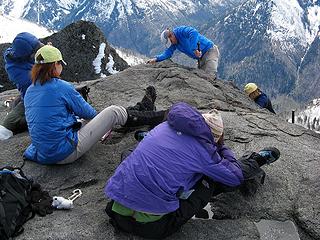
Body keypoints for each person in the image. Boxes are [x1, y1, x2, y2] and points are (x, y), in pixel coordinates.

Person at [104, 102, 280, 239]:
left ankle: (145, 140)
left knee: (131, 154)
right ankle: (258, 160)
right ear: (213, 138)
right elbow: (235, 177)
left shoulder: (162, 127)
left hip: (116, 213)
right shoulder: (205, 152)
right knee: (210, 179)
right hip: (154, 228)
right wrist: (222, 147)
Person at [23, 45, 166, 165]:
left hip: (42, 153)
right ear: (55, 64)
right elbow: (89, 113)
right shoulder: (61, 87)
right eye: (60, 63)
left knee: (90, 121)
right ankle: (156, 116)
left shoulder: (30, 90)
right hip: (63, 153)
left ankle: (139, 110)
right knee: (113, 112)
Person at [0, 32, 44, 139]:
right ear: (26, 54)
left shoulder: (21, 54)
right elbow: (37, 83)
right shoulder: (14, 69)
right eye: (34, 51)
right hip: (31, 97)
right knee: (5, 129)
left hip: (36, 94)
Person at [147, 26, 220, 79]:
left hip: (210, 50)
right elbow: (168, 53)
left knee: (210, 75)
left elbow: (193, 32)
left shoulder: (180, 31)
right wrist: (156, 59)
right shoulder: (174, 43)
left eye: (171, 41)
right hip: (200, 58)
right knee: (203, 79)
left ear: (171, 35)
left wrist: (194, 49)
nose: (172, 43)